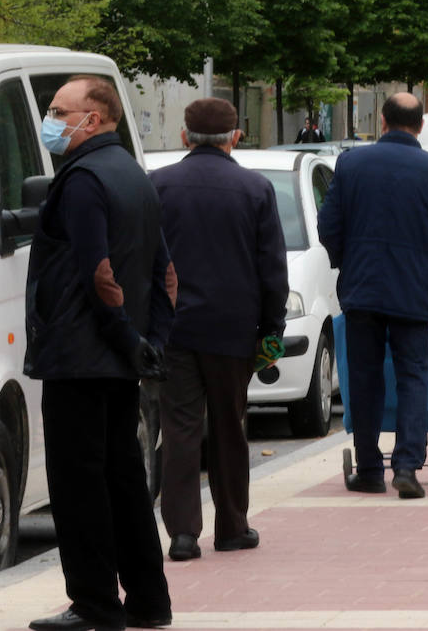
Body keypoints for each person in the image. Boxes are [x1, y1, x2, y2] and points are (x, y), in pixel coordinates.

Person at [23, 75, 174, 631]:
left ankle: (93, 604)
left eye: (62, 111)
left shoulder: (82, 179)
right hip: (117, 359)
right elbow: (166, 270)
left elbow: (96, 271)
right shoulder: (134, 175)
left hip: (80, 356)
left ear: (96, 118)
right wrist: (151, 340)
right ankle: (149, 600)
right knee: (124, 478)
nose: (52, 119)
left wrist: (127, 338)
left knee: (79, 483)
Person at [150, 98, 288, 562]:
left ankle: (183, 534)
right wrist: (271, 328)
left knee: (180, 429)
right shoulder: (255, 189)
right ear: (236, 137)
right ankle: (232, 526)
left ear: (185, 136)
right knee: (231, 426)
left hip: (175, 330)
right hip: (233, 331)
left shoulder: (159, 186)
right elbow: (272, 268)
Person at [318, 93, 428, 498]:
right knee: (414, 374)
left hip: (362, 287)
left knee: (363, 377)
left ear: (382, 121)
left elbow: (328, 225)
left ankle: (367, 469)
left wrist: (349, 259)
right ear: (420, 125)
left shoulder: (351, 163)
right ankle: (406, 467)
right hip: (414, 289)